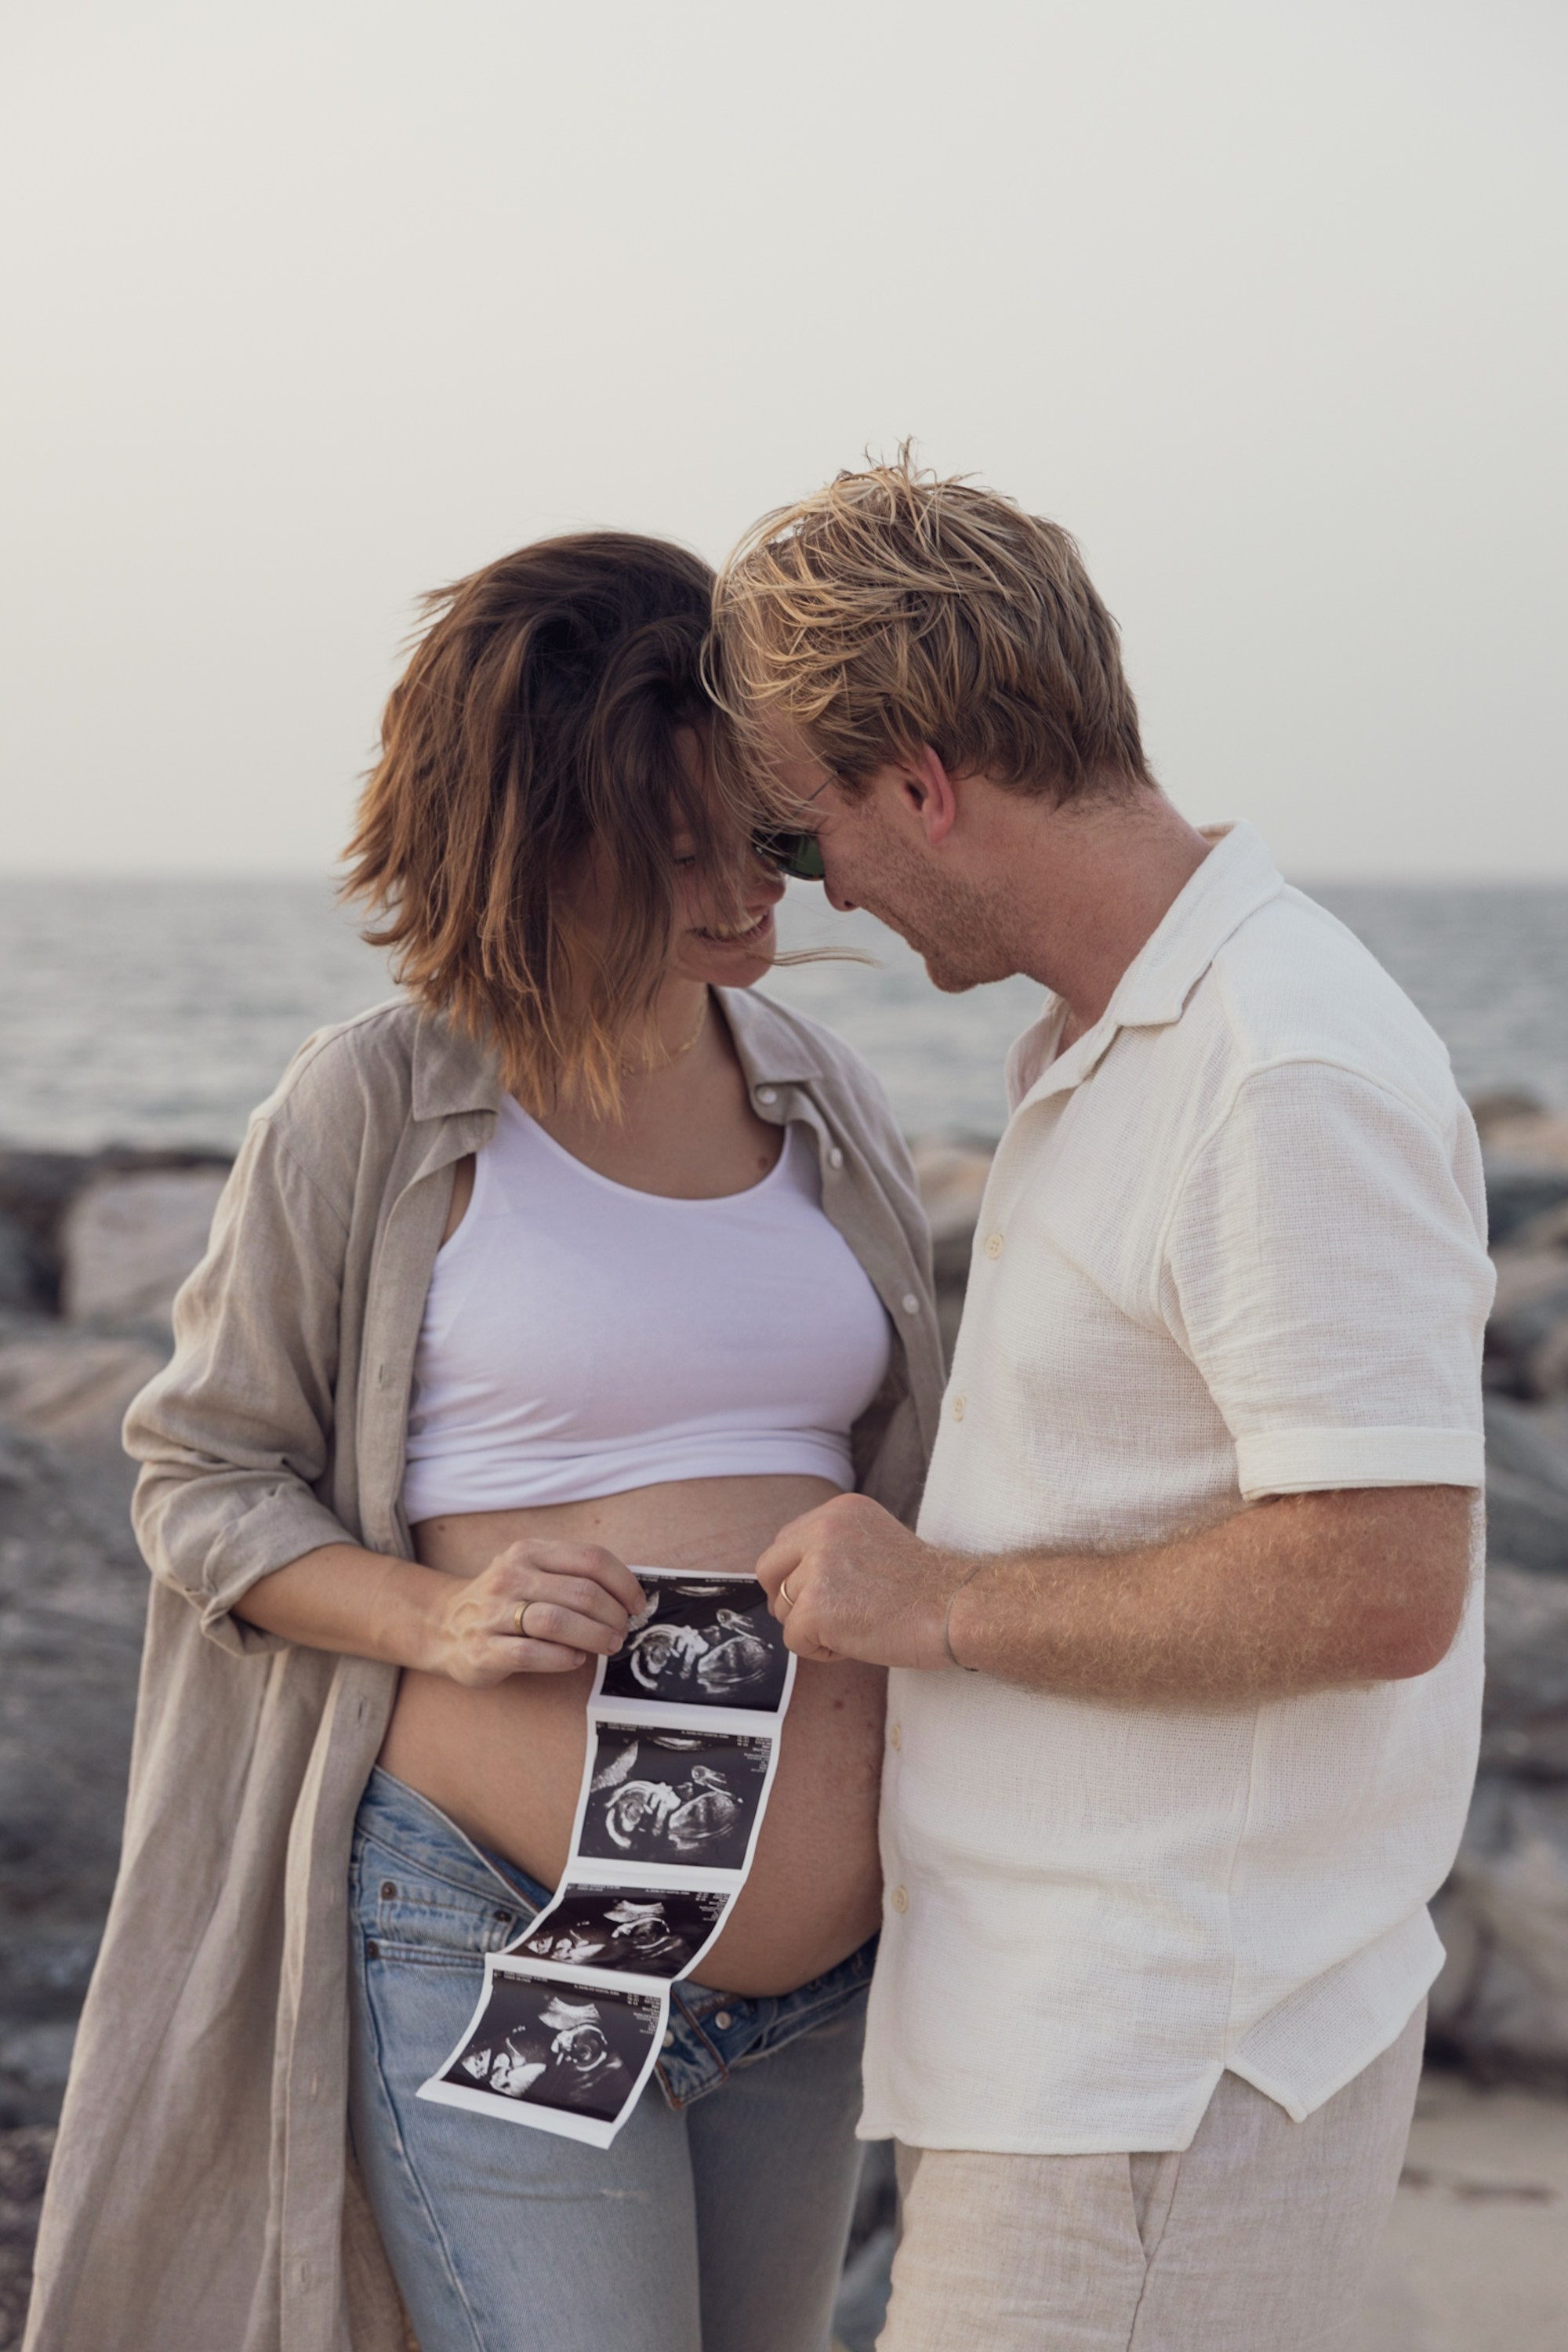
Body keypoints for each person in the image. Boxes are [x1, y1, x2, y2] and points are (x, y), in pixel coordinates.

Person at [24, 532, 944, 2352]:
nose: (744, 890)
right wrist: (436, 1622)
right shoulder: (375, 1104)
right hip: (519, 1939)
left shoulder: (819, 1090)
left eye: (749, 824)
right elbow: (201, 1476)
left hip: (812, 1992)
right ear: (529, 835)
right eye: (669, 843)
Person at [709, 459, 1496, 2352]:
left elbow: (1382, 1583)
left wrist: (939, 1603)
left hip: (1159, 2073)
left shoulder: (1275, 1065)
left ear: (921, 784)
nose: (813, 897)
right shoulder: (1109, 1039)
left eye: (805, 843)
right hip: (1072, 2057)